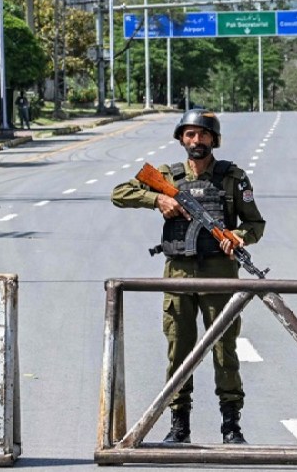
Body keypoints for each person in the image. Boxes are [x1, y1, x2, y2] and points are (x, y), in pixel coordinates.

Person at [111, 109, 265, 445]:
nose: (196, 141)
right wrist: (158, 199)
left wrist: (239, 237)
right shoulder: (168, 175)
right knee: (178, 349)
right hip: (178, 272)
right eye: (189, 135)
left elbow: (256, 224)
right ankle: (179, 424)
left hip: (220, 273)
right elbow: (119, 193)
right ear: (181, 138)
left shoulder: (231, 178)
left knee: (224, 349)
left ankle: (231, 424)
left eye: (203, 135)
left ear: (214, 139)